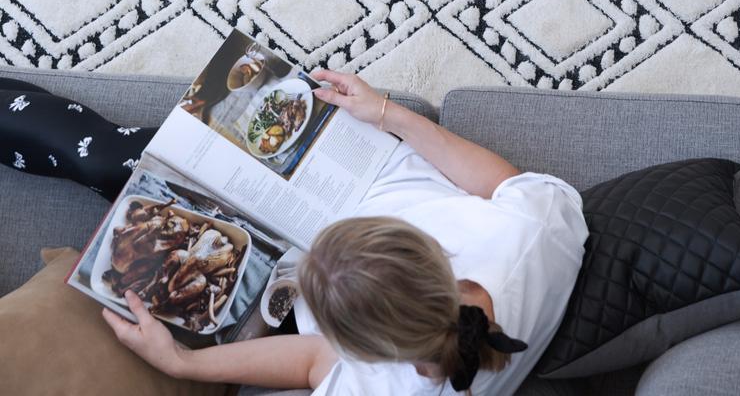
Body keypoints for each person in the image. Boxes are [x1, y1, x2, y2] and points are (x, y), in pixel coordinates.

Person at [1, 72, 589, 395]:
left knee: (116, 163)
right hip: (348, 168)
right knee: (123, 156)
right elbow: (503, 183)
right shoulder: (541, 230)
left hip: (262, 277)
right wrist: (388, 112)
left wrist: (182, 364)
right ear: (428, 251)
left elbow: (310, 362)